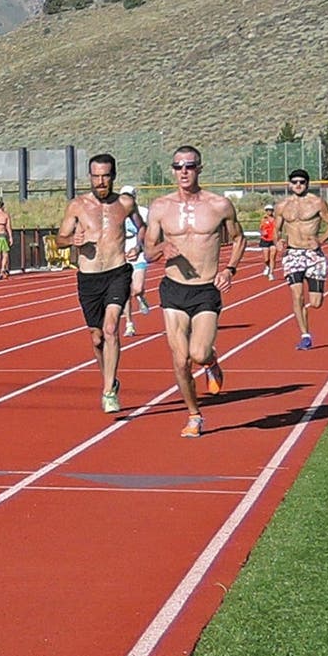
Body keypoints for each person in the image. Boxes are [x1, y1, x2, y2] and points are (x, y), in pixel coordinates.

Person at [144, 145, 246, 438]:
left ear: (199, 168)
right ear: (173, 170)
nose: (184, 171)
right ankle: (194, 415)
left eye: (189, 165)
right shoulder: (160, 207)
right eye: (178, 166)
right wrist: (163, 247)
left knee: (198, 353)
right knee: (179, 359)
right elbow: (148, 251)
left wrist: (230, 270)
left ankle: (211, 360)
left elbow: (238, 239)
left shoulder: (219, 205)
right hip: (173, 288)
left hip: (205, 289)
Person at [56, 155, 141, 414]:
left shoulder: (125, 203)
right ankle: (110, 380)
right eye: (95, 176)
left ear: (113, 176)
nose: (100, 181)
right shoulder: (77, 206)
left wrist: (138, 245)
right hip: (89, 276)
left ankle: (107, 392)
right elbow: (60, 238)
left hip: (117, 271)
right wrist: (72, 240)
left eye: (105, 176)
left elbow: (143, 227)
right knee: (96, 338)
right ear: (89, 177)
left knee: (111, 327)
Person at [273, 169, 328, 350]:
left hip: (313, 254)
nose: (298, 185)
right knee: (297, 295)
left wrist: (321, 241)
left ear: (307, 184)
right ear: (289, 184)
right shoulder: (282, 206)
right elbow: (276, 230)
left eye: (302, 181)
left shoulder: (317, 203)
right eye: (294, 182)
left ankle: (308, 317)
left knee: (316, 303)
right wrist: (278, 242)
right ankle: (305, 335)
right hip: (293, 254)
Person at [119, 184, 151, 336]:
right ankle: (129, 324)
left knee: (136, 289)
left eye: (129, 196)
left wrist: (139, 247)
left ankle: (141, 296)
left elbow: (145, 230)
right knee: (125, 291)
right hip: (122, 256)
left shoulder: (143, 212)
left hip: (138, 255)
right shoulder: (116, 212)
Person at [258, 205, 279, 279]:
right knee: (266, 258)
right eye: (268, 210)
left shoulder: (276, 219)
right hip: (265, 239)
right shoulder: (263, 219)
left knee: (272, 258)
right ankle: (267, 266)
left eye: (270, 210)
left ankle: (271, 273)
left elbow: (279, 229)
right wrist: (262, 232)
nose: (269, 212)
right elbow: (260, 228)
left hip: (273, 240)